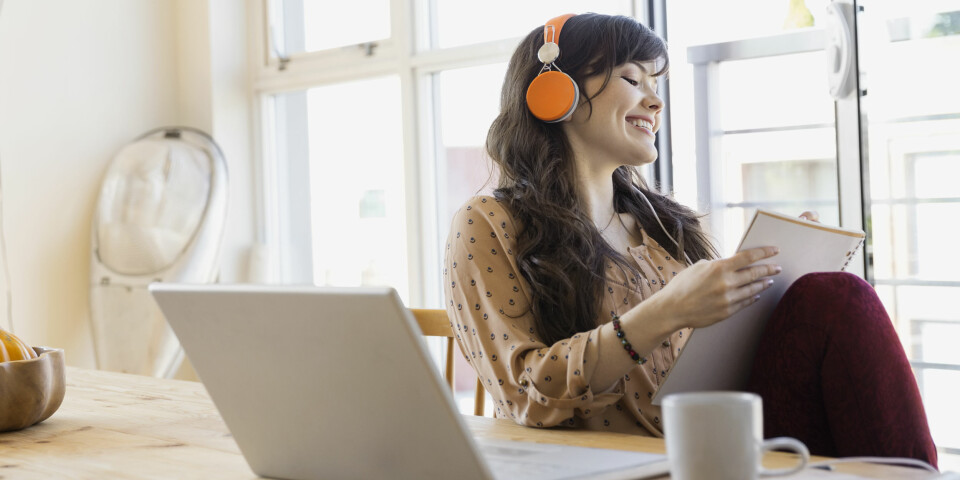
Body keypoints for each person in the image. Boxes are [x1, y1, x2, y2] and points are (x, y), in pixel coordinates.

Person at [443, 12, 938, 468]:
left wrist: (775, 283)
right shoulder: (489, 222)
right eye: (632, 79)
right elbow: (526, 393)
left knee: (829, 295)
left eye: (655, 85)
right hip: (617, 461)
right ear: (556, 94)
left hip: (717, 436)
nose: (655, 101)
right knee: (837, 297)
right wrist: (665, 312)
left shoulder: (665, 226)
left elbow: (720, 354)